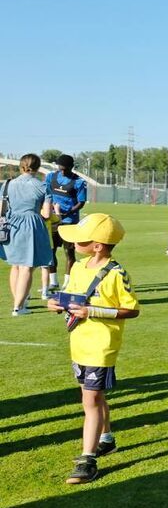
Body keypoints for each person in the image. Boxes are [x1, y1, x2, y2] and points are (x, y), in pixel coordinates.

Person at [46, 213, 140, 484]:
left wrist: (94, 311)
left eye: (81, 239)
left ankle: (88, 459)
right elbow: (70, 297)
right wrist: (56, 303)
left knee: (90, 400)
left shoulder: (116, 273)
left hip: (101, 346)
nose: (74, 242)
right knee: (94, 398)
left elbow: (131, 310)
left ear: (98, 245)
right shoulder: (77, 267)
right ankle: (106, 438)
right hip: (79, 344)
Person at [1, 154, 55, 315]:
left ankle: (20, 301)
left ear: (21, 166)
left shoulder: (7, 184)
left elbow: (1, 210)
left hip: (11, 225)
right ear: (38, 167)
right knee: (27, 266)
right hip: (32, 225)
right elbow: (46, 213)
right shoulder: (43, 186)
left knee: (15, 265)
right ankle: (18, 306)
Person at [45, 153, 88, 286]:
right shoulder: (51, 176)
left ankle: (67, 283)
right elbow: (46, 194)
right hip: (52, 220)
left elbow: (81, 202)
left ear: (71, 167)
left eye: (65, 169)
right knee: (50, 252)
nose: (62, 171)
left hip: (69, 222)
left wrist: (67, 212)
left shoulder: (79, 182)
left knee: (69, 253)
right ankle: (53, 282)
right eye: (60, 168)